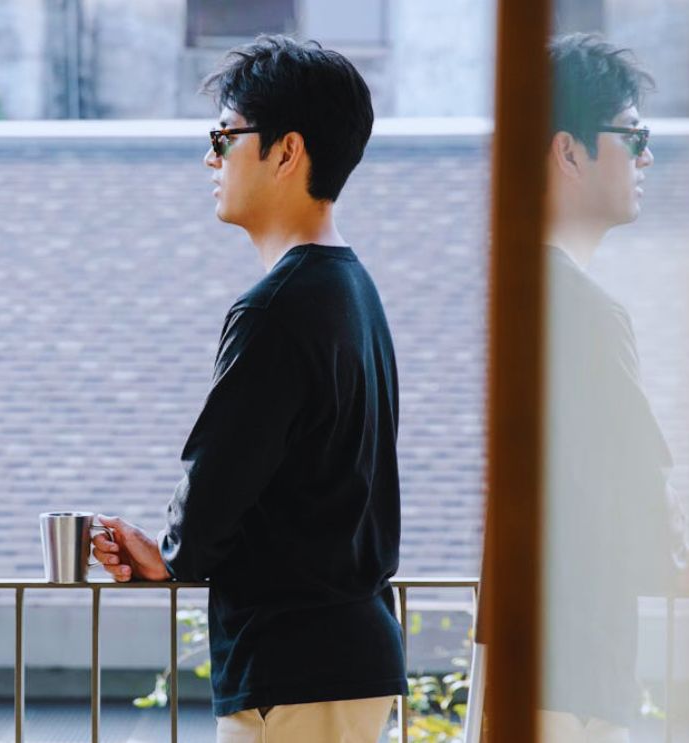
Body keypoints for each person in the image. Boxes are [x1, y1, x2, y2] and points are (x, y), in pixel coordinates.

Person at [90, 35, 405, 743]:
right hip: (350, 654)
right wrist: (177, 552)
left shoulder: (276, 307)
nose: (211, 158)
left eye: (225, 136)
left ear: (286, 151)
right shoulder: (353, 287)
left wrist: (176, 553)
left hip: (294, 667)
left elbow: (219, 482)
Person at [538, 33, 689, 742]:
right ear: (569, 152)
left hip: (534, 668)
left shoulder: (521, 293)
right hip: (575, 687)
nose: (646, 157)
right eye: (632, 136)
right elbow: (639, 492)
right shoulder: (581, 310)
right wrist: (686, 565)